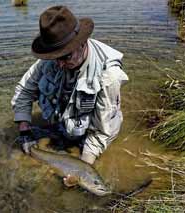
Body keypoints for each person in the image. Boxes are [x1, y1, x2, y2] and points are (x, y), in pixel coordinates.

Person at [11, 5, 128, 165]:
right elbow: (24, 92)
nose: (59, 64)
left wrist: (83, 168)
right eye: (55, 57)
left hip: (95, 131)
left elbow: (101, 132)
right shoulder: (52, 59)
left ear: (82, 43)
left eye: (65, 57)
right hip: (63, 125)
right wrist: (24, 132)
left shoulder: (109, 74)